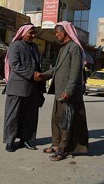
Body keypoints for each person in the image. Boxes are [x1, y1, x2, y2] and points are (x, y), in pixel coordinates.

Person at [39, 21, 89, 161]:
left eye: (58, 32)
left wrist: (69, 90)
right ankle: (56, 144)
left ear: (65, 32)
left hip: (68, 93)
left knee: (65, 122)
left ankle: (63, 149)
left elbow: (75, 72)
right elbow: (57, 68)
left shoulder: (74, 48)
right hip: (59, 91)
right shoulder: (63, 49)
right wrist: (44, 75)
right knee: (56, 119)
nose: (56, 35)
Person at [3, 23, 45, 152]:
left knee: (30, 117)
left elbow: (38, 66)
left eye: (34, 33)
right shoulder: (15, 45)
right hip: (17, 87)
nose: (33, 36)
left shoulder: (34, 47)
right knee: (13, 115)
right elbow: (15, 65)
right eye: (30, 33)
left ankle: (25, 140)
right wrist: (32, 75)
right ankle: (10, 141)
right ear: (23, 33)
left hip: (33, 88)